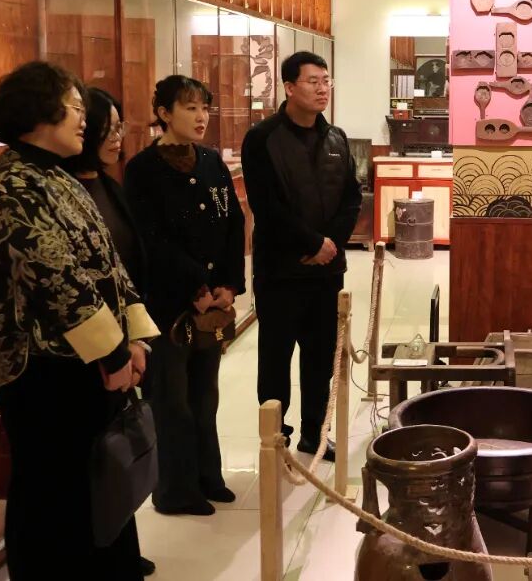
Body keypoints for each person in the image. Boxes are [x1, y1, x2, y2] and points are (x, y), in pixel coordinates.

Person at [0, 61, 159, 581]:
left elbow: (108, 264)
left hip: (86, 365)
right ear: (38, 113)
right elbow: (57, 281)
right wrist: (115, 354)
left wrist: (137, 337)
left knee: (96, 489)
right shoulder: (9, 188)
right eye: (74, 108)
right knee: (52, 496)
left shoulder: (56, 177)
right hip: (42, 371)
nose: (83, 120)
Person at [124, 76, 245, 516]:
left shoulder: (211, 161)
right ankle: (175, 490)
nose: (200, 117)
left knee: (205, 395)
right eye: (190, 108)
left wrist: (229, 283)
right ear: (163, 113)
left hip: (212, 305)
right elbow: (149, 240)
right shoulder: (142, 169)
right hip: (169, 304)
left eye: (204, 108)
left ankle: (208, 476)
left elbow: (234, 224)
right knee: (171, 400)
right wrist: (196, 286)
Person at [242, 51, 361, 460]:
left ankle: (315, 432)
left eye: (326, 80)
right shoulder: (262, 138)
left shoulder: (336, 138)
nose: (322, 88)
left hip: (326, 273)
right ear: (290, 87)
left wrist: (331, 245)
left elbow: (351, 199)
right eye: (313, 81)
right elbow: (267, 206)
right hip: (280, 273)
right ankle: (276, 439)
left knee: (320, 358)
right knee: (275, 359)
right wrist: (312, 244)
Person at [65, 87, 156, 578]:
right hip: (88, 350)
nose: (116, 137)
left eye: (120, 127)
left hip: (123, 340)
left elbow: (127, 267)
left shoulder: (107, 185)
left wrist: (136, 338)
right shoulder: (60, 190)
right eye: (108, 127)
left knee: (117, 451)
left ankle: (120, 548)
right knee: (91, 460)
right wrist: (116, 349)